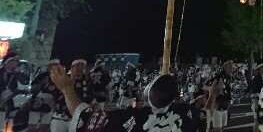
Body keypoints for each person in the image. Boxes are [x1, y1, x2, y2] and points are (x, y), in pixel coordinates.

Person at [49, 64, 198, 132]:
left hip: (120, 98)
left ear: (148, 95)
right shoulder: (187, 114)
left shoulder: (133, 118)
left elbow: (85, 116)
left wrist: (66, 88)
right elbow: (205, 114)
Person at [0, 51, 22, 131]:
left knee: (2, 125)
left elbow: (14, 89)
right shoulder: (1, 72)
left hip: (6, 103)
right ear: (9, 61)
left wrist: (7, 98)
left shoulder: (15, 75)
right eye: (15, 61)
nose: (17, 63)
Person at [209, 60, 233, 132]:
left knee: (222, 127)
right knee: (218, 128)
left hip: (225, 104)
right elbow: (210, 88)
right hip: (218, 105)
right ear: (224, 66)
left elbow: (228, 89)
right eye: (230, 65)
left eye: (232, 65)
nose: (232, 67)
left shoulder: (229, 76)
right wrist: (214, 103)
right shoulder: (218, 76)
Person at [251, 59, 263, 132]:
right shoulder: (257, 78)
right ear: (260, 67)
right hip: (258, 103)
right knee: (257, 121)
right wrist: (257, 106)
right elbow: (254, 94)